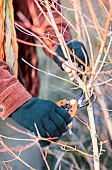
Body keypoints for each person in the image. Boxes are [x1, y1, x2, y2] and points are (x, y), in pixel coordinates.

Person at [0, 0, 89, 169]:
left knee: (27, 163)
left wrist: (60, 44)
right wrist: (17, 102)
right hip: (16, 102)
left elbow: (43, 7)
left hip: (21, 100)